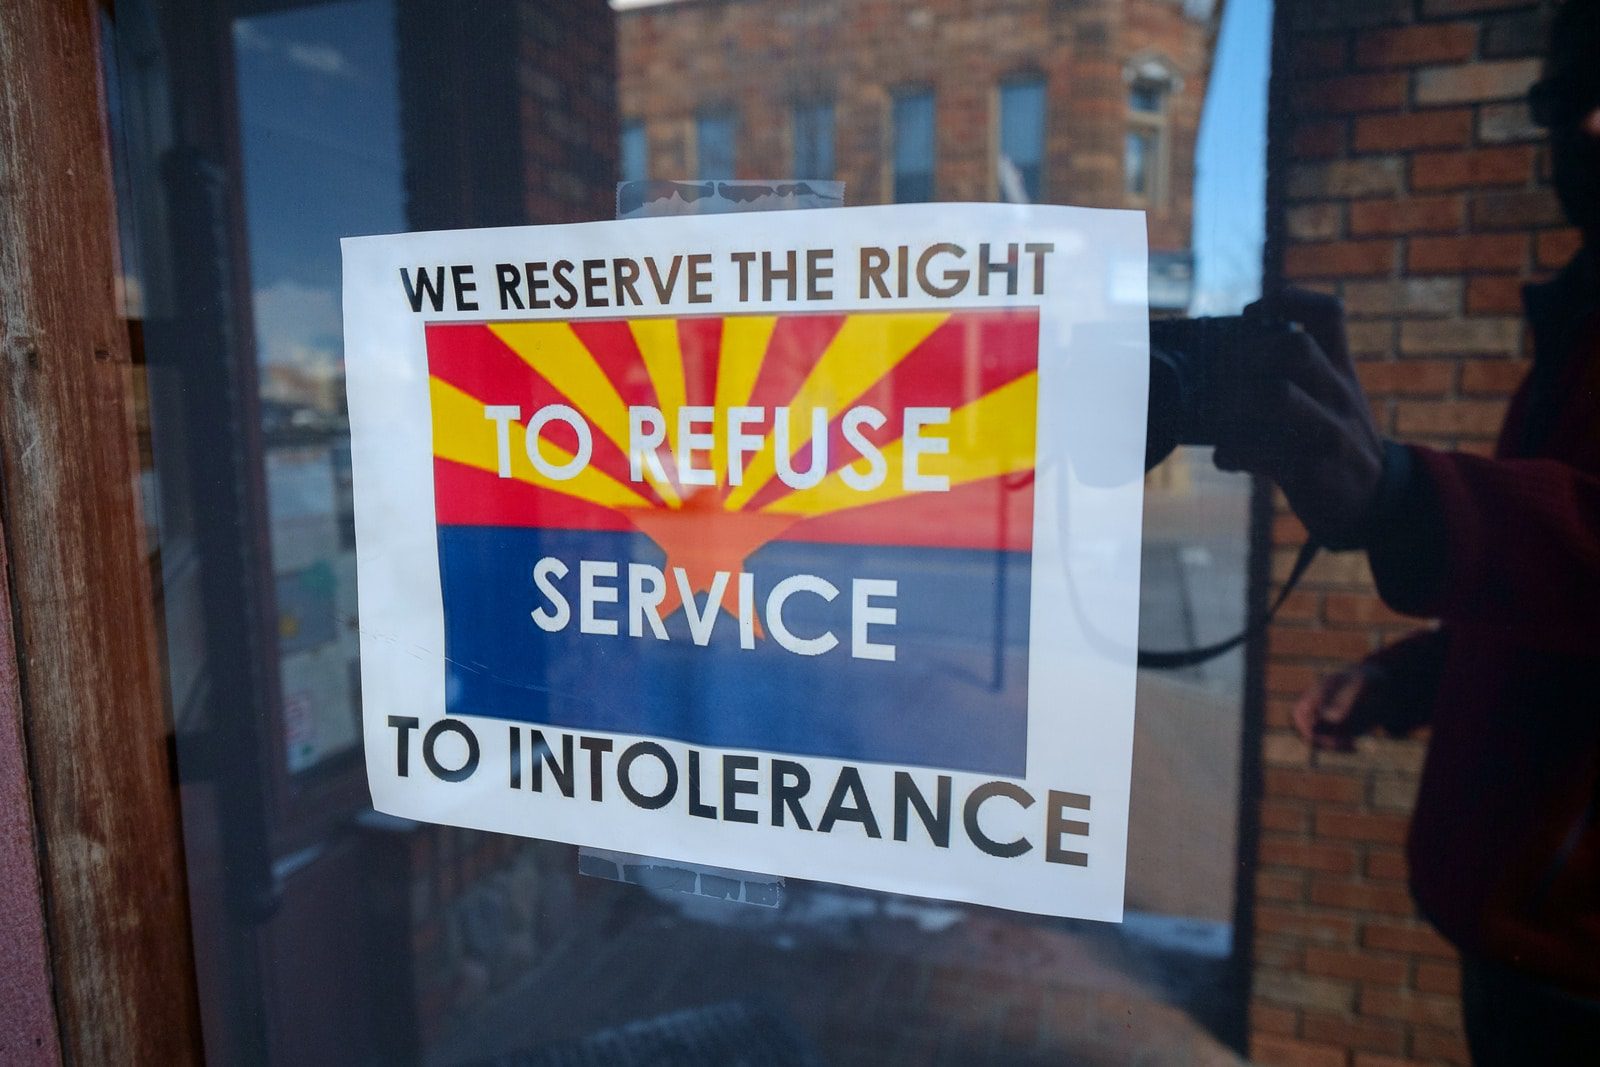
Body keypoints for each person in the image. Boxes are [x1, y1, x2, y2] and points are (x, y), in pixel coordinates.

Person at [1216, 2, 1600, 1061]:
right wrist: (1408, 678)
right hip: (1512, 930)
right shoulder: (1578, 315)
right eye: (1568, 101)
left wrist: (1399, 497)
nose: (1590, 129)